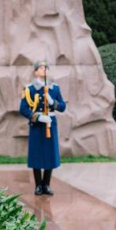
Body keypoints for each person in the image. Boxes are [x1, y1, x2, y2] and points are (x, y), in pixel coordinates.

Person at [19, 60, 67, 196]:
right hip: (37, 125)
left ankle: (46, 185)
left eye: (46, 68)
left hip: (50, 124)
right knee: (36, 154)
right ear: (35, 72)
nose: (44, 70)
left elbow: (63, 107)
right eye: (41, 68)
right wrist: (37, 117)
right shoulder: (29, 89)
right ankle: (38, 185)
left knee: (49, 154)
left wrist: (53, 102)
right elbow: (23, 109)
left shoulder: (55, 88)